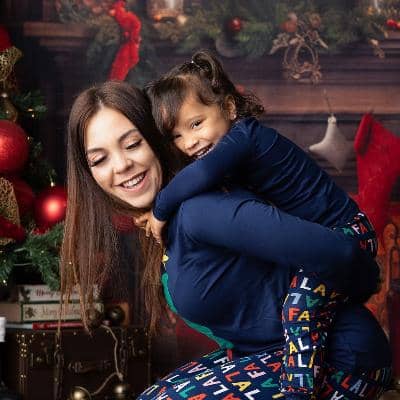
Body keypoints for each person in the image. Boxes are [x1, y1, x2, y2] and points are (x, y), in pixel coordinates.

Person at [60, 80, 391, 400]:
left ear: (158, 139)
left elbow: (344, 253)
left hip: (340, 362)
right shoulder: (171, 221)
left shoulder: (199, 210)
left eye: (133, 144)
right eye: (99, 159)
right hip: (270, 354)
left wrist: (362, 286)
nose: (121, 165)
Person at [141, 50, 379, 398]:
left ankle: (299, 392)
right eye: (176, 136)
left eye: (196, 124)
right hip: (327, 245)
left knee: (298, 308)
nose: (189, 143)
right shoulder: (223, 175)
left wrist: (160, 209)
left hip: (346, 231)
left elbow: (202, 173)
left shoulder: (245, 138)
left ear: (229, 108)